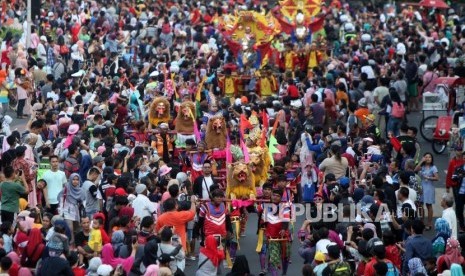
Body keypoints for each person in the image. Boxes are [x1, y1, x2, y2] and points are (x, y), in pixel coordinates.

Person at [58, 173, 85, 244]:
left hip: (77, 212)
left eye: (77, 179)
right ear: (70, 180)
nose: (75, 181)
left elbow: (84, 202)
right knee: (70, 228)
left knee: (77, 229)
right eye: (73, 179)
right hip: (67, 210)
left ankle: (77, 244)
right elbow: (61, 199)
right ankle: (70, 243)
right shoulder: (66, 189)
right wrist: (60, 212)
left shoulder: (81, 191)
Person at [414, 152, 439, 229]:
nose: (428, 158)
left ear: (432, 159)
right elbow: (415, 170)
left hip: (429, 188)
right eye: (426, 157)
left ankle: (429, 223)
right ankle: (422, 222)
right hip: (421, 187)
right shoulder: (422, 167)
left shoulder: (433, 167)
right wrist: (421, 161)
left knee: (429, 205)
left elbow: (437, 178)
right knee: (420, 205)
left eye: (429, 157)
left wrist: (428, 178)